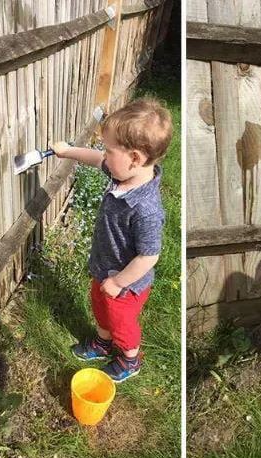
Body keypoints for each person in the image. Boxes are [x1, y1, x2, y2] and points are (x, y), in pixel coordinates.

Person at [52, 97, 172, 383]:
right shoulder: (121, 176)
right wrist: (69, 151)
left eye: (109, 150)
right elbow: (95, 160)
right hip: (104, 267)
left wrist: (119, 283)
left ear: (135, 158)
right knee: (99, 305)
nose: (103, 156)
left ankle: (130, 359)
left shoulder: (146, 209)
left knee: (121, 322)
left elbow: (148, 256)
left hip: (127, 284)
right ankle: (103, 343)